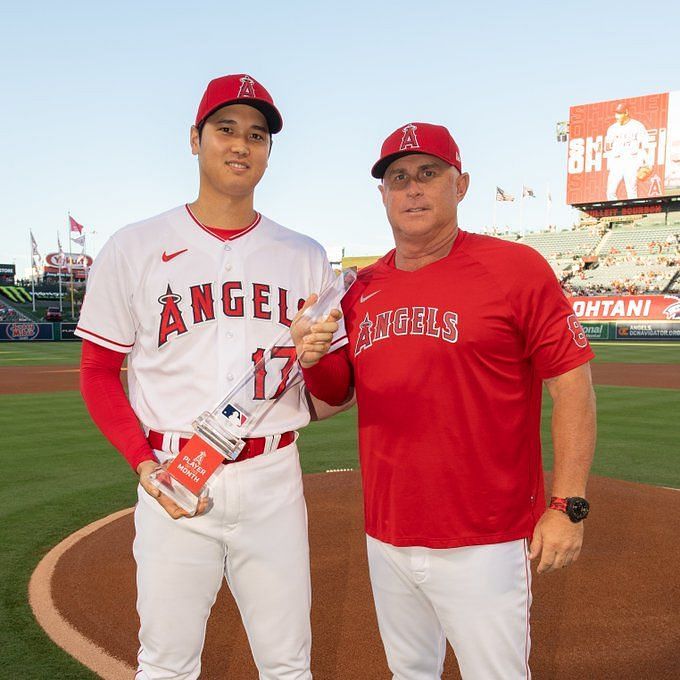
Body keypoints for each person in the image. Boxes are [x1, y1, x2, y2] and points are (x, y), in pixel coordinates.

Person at [294, 122, 597, 679]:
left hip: (485, 536)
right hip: (386, 532)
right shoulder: (361, 289)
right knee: (409, 674)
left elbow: (572, 384)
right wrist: (312, 359)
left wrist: (567, 506)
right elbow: (339, 391)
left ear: (461, 185)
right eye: (397, 178)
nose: (412, 189)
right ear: (382, 194)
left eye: (429, 174)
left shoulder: (516, 269)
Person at [77, 73, 346, 680]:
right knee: (166, 664)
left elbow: (333, 392)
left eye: (257, 135)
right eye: (225, 129)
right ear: (194, 139)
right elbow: (98, 372)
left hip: (273, 474)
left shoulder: (304, 253)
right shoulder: (135, 245)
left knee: (286, 664)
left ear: (269, 152)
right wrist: (144, 466)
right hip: (173, 472)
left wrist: (317, 358)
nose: (241, 145)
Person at [604, 102, 650, 200]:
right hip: (617, 162)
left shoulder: (637, 126)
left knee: (631, 191)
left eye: (619, 113)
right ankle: (614, 211)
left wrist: (644, 163)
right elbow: (608, 148)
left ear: (626, 113)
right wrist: (611, 164)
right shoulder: (612, 128)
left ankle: (635, 213)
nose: (616, 116)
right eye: (616, 113)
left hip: (631, 161)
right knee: (610, 191)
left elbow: (646, 145)